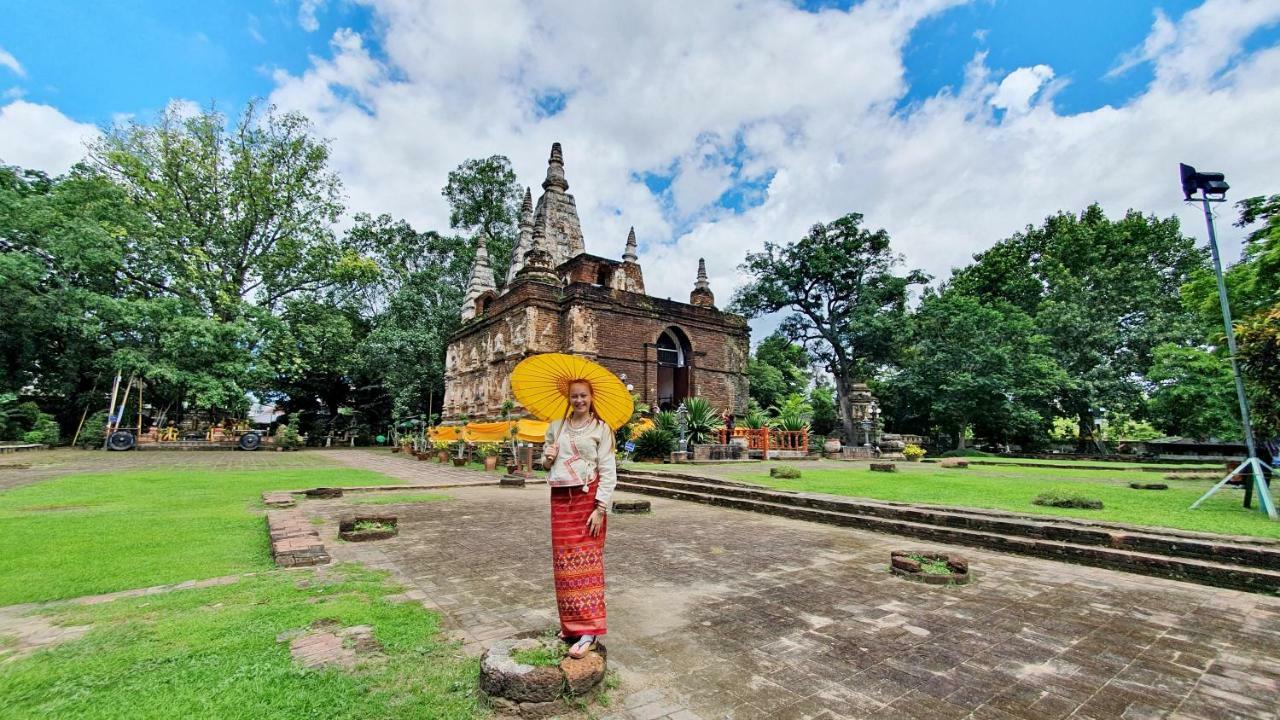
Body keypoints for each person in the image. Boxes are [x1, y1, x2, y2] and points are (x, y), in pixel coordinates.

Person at [542, 379, 617, 659]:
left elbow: (608, 470)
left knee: (587, 562)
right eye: (574, 396)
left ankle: (589, 632)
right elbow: (546, 463)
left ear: (591, 396)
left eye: (583, 395)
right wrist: (547, 458)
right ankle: (571, 625)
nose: (579, 401)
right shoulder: (556, 426)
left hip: (589, 501)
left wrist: (601, 508)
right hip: (561, 500)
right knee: (564, 563)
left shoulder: (601, 429)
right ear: (568, 398)